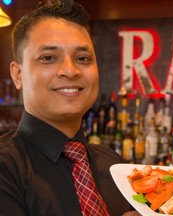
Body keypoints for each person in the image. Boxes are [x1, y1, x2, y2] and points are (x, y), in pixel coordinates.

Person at [0, 0, 140, 215]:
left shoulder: (112, 164)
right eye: (48, 58)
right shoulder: (6, 166)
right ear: (18, 74)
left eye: (83, 58)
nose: (70, 70)